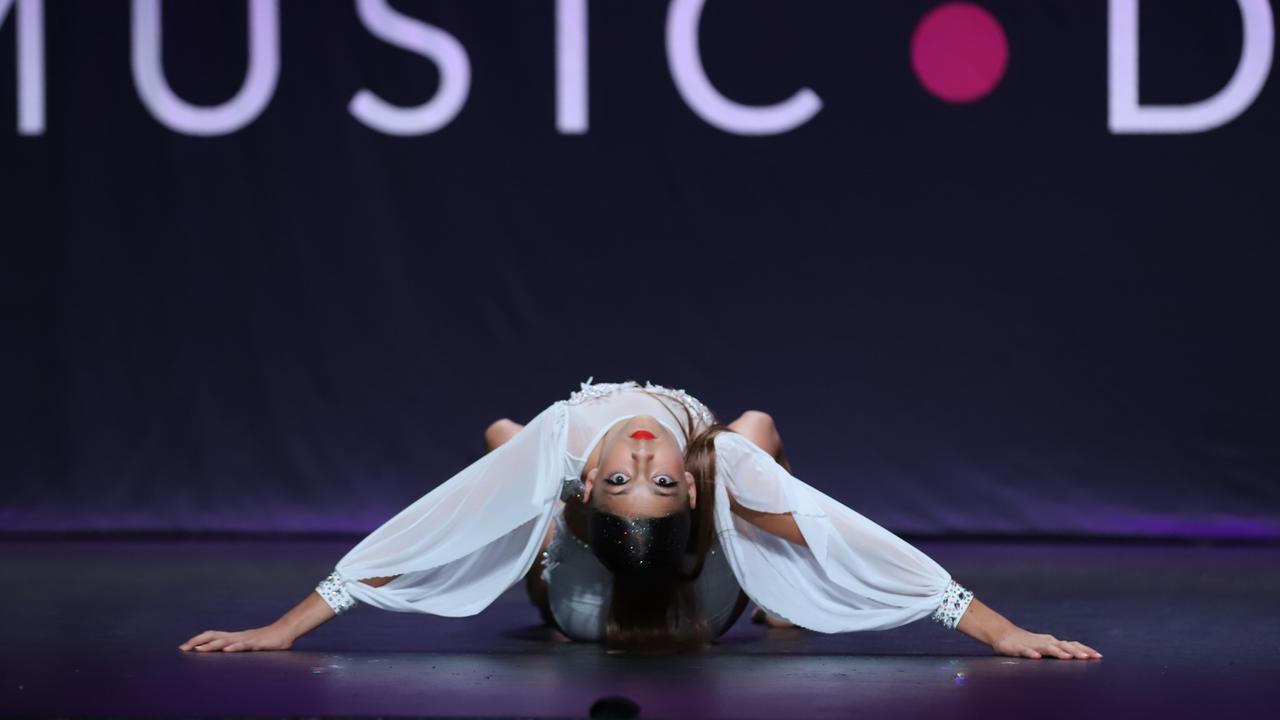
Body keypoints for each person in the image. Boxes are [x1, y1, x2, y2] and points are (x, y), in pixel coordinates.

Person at [179, 379, 1102, 660]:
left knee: (517, 435)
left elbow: (847, 541)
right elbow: (425, 534)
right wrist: (283, 629)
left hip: (635, 559)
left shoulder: (719, 471)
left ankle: (757, 599)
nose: (648, 456)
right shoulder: (706, 462)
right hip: (580, 577)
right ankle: (551, 548)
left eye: (642, 474)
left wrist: (999, 628)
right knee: (509, 447)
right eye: (641, 476)